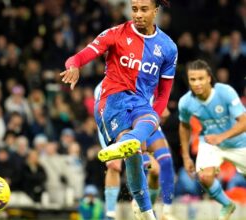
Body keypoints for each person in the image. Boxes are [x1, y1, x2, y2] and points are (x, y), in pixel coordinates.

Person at [60, 0, 177, 218]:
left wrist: (154, 116)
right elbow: (80, 56)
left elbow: (163, 94)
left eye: (144, 9)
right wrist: (73, 66)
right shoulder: (115, 34)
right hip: (112, 101)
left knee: (143, 131)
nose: (138, 14)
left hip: (141, 103)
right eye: (134, 9)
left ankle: (146, 212)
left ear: (155, 11)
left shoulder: (168, 47)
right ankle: (120, 212)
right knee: (125, 157)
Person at [94, 83, 176, 220]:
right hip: (122, 127)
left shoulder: (146, 71)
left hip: (144, 122)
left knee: (157, 169)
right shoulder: (104, 86)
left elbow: (163, 107)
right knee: (114, 166)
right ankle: (110, 215)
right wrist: (109, 146)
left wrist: (160, 107)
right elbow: (101, 120)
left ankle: (154, 210)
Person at [179, 59, 246, 220]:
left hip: (239, 143)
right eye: (192, 79)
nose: (197, 83)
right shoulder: (186, 102)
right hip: (210, 144)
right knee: (204, 176)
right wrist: (186, 156)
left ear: (209, 78)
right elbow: (184, 125)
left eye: (200, 78)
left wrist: (221, 137)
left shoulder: (225, 92)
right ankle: (227, 204)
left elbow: (244, 122)